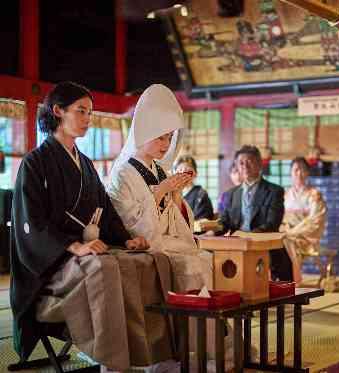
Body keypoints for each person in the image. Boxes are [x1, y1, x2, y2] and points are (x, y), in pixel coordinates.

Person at [10, 81, 173, 373]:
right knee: (104, 268)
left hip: (87, 251)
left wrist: (127, 240)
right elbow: (30, 224)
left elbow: (105, 212)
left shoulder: (85, 164)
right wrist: (72, 246)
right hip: (51, 265)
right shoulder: (34, 163)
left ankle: (154, 354)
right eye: (81, 111)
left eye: (90, 112)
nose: (88, 119)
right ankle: (112, 361)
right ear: (58, 111)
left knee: (151, 261)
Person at [106, 84, 234, 365]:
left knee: (204, 258)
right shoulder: (121, 172)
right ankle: (196, 349)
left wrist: (174, 195)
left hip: (166, 238)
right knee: (191, 265)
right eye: (160, 138)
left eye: (168, 138)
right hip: (145, 241)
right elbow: (129, 222)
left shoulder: (159, 168)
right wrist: (161, 192)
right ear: (143, 134)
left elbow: (177, 218)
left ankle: (213, 344)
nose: (165, 145)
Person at [217, 144, 293, 281]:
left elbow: (272, 223)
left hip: (265, 245)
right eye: (241, 163)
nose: (245, 166)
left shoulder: (274, 191)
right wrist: (211, 230)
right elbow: (225, 222)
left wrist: (249, 236)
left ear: (259, 164)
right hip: (237, 246)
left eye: (249, 161)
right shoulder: (231, 194)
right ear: (237, 167)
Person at [280, 157, 327, 284]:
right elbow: (279, 218)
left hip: (305, 237)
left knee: (286, 241)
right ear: (290, 173)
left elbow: (316, 220)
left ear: (307, 173)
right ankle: (275, 280)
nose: (299, 173)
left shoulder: (314, 195)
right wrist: (285, 230)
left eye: (302, 170)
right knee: (274, 241)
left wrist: (292, 232)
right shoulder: (285, 194)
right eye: (296, 170)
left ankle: (291, 280)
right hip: (286, 233)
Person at [174, 155, 214, 221]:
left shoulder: (201, 194)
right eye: (180, 170)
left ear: (195, 174)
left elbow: (203, 219)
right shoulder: (171, 193)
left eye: (187, 171)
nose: (183, 174)